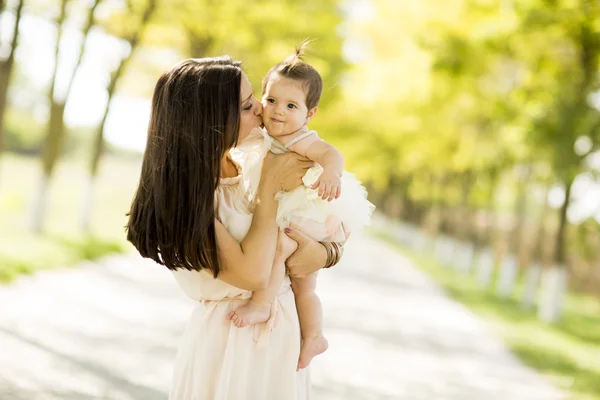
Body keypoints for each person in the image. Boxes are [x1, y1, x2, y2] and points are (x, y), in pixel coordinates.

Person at [125, 56, 346, 400]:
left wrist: (326, 252)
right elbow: (254, 274)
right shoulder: (191, 197)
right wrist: (271, 185)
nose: (262, 108)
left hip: (280, 342)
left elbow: (324, 219)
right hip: (232, 344)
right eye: (246, 105)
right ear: (210, 120)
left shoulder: (245, 162)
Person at [226, 43, 375, 371]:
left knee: (279, 246)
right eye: (271, 101)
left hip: (306, 214)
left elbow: (330, 153)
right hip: (293, 214)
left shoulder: (300, 139)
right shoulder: (266, 131)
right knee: (305, 287)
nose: (278, 111)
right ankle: (314, 337)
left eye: (291, 105)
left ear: (310, 114)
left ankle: (261, 303)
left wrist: (333, 172)